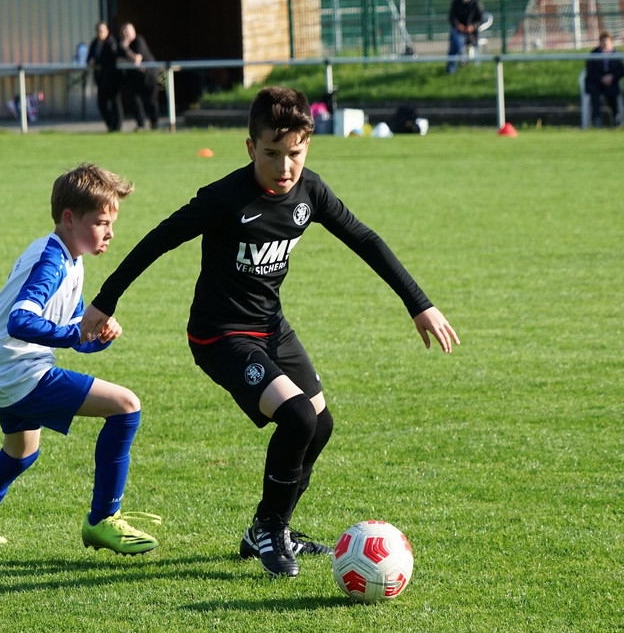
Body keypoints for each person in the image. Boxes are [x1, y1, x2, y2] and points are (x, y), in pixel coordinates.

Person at [79, 87, 459, 578]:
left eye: (295, 154)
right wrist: (105, 301)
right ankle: (272, 531)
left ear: (307, 146)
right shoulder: (225, 197)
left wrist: (419, 304)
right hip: (219, 335)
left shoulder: (310, 192)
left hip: (271, 328)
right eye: (272, 153)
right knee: (297, 417)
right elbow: (159, 240)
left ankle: (266, 525)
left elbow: (365, 239)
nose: (285, 167)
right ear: (250, 148)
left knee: (320, 425)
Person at [0, 163, 159, 555]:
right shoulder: (51, 262)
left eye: (111, 223)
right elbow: (21, 321)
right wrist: (76, 334)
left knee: (20, 452)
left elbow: (74, 330)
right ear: (69, 218)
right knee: (126, 407)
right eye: (101, 223)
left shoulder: (66, 256)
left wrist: (97, 336)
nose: (110, 233)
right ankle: (103, 520)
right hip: (13, 367)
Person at [118, 22, 160, 131]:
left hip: (149, 76)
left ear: (133, 31)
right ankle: (141, 125)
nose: (125, 33)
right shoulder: (121, 45)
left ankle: (154, 124)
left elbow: (137, 59)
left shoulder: (139, 41)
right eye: (123, 31)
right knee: (136, 100)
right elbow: (118, 60)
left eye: (127, 30)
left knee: (151, 101)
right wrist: (127, 57)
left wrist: (126, 50)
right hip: (135, 78)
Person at [88, 21, 124, 132]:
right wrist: (90, 61)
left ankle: (117, 127)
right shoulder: (94, 43)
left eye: (102, 31)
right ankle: (110, 125)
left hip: (112, 78)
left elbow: (110, 58)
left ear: (107, 31)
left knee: (115, 102)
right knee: (102, 103)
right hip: (100, 79)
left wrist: (96, 61)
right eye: (98, 31)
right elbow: (90, 57)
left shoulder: (111, 42)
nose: (100, 33)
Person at [584, 31, 624, 127]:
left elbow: (620, 70)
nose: (605, 45)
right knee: (594, 94)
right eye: (603, 42)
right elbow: (590, 71)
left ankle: (616, 117)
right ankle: (597, 119)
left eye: (607, 42)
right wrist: (601, 78)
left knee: (613, 93)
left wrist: (612, 77)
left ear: (611, 43)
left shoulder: (616, 55)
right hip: (596, 83)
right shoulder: (594, 54)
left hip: (611, 82)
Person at [446, 0, 485, 74]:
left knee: (453, 41)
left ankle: (452, 68)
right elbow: (452, 17)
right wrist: (458, 25)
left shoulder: (476, 4)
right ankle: (461, 56)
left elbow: (481, 19)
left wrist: (472, 27)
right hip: (458, 31)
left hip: (471, 34)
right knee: (455, 35)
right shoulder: (456, 3)